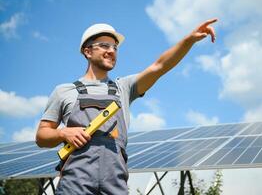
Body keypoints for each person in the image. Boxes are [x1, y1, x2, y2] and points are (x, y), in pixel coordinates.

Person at [36, 18, 218, 195]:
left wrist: (189, 40)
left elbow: (159, 66)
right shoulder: (64, 91)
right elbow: (42, 136)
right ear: (87, 51)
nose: (112, 51)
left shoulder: (124, 88)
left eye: (115, 47)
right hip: (74, 186)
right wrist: (63, 133)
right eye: (104, 45)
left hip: (115, 185)